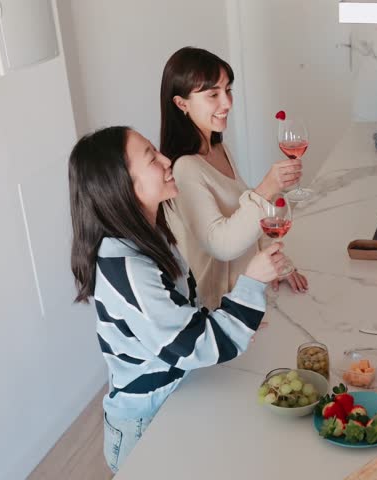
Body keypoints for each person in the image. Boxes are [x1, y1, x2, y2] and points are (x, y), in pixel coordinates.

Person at [68, 126, 287, 473]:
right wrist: (251, 285)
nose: (166, 160)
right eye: (151, 158)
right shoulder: (126, 267)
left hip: (177, 396)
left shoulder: (149, 234)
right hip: (147, 423)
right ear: (122, 184)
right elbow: (190, 344)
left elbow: (184, 316)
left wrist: (230, 320)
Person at [160, 47, 307, 310]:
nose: (226, 103)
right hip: (220, 310)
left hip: (250, 295)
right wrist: (265, 190)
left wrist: (278, 266)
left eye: (228, 90)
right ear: (181, 103)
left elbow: (246, 217)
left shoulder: (218, 149)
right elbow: (222, 245)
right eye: (213, 94)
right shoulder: (185, 168)